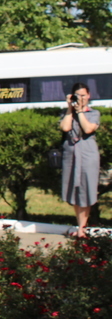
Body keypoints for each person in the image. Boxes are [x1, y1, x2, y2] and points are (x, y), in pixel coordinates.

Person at [60, 82, 100, 238]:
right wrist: (70, 109)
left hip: (88, 155)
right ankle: (80, 225)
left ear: (89, 95)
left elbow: (88, 129)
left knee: (86, 189)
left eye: (84, 95)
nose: (81, 98)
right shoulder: (67, 112)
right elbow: (65, 128)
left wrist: (81, 112)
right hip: (71, 155)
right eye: (78, 96)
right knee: (74, 190)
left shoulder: (93, 113)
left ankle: (83, 227)